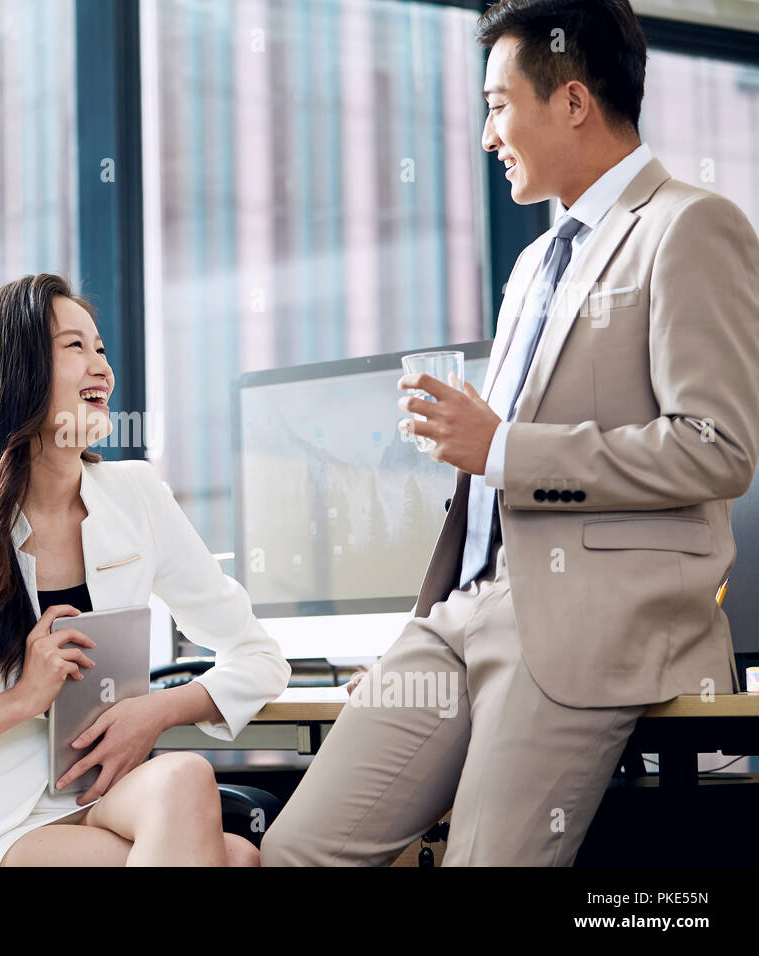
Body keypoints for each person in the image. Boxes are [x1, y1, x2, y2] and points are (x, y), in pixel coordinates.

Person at [262, 0, 759, 866]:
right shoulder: (535, 262)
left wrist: (500, 449)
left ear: (571, 101)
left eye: (497, 104)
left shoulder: (688, 226)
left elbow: (716, 447)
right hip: (461, 614)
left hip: (582, 622)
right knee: (299, 847)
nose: (487, 132)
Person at [0, 273, 291, 866]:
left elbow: (259, 656)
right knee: (236, 859)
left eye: (100, 348)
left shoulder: (137, 495)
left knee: (185, 779)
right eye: (75, 347)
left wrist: (155, 711)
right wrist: (23, 699)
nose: (102, 366)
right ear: (17, 373)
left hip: (101, 787)